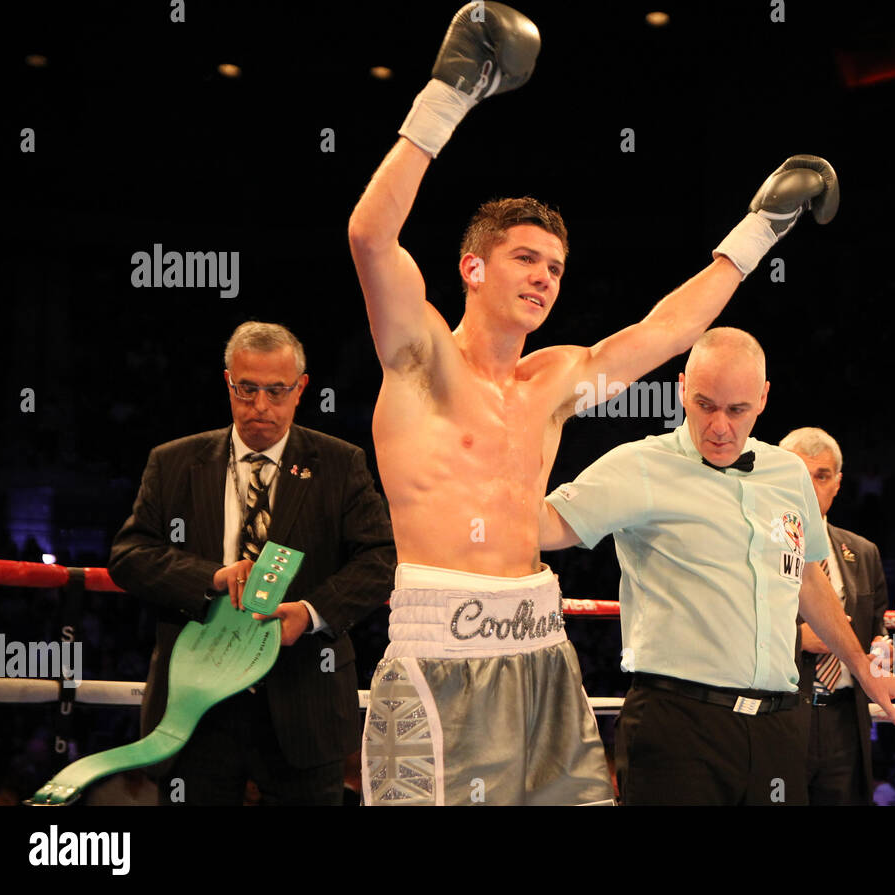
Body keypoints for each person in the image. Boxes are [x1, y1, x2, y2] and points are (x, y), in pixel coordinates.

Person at [348, 3, 839, 805]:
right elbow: (371, 236)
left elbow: (666, 330)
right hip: (441, 647)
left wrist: (760, 228)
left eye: (556, 266)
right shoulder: (420, 361)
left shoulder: (553, 383)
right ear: (472, 268)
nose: (545, 276)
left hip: (542, 649)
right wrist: (451, 93)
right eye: (525, 258)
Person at [541, 329, 895, 805]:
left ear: (763, 398)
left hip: (778, 729)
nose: (719, 426)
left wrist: (864, 670)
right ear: (682, 389)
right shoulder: (639, 465)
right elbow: (545, 526)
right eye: (705, 405)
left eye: (737, 410)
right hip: (679, 726)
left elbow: (808, 579)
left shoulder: (787, 473)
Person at [109, 322, 396, 805]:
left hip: (304, 696)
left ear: (301, 389)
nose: (260, 406)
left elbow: (381, 557)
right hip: (199, 704)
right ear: (228, 383)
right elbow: (129, 555)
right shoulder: (174, 461)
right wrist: (212, 578)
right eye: (247, 389)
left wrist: (311, 613)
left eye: (276, 390)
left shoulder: (340, 463)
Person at [780, 426, 890, 805]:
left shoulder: (863, 552)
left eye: (822, 476)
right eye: (799, 474)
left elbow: (877, 629)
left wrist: (881, 652)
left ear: (837, 483)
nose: (810, 487)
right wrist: (799, 638)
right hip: (781, 714)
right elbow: (730, 626)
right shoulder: (753, 547)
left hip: (846, 718)